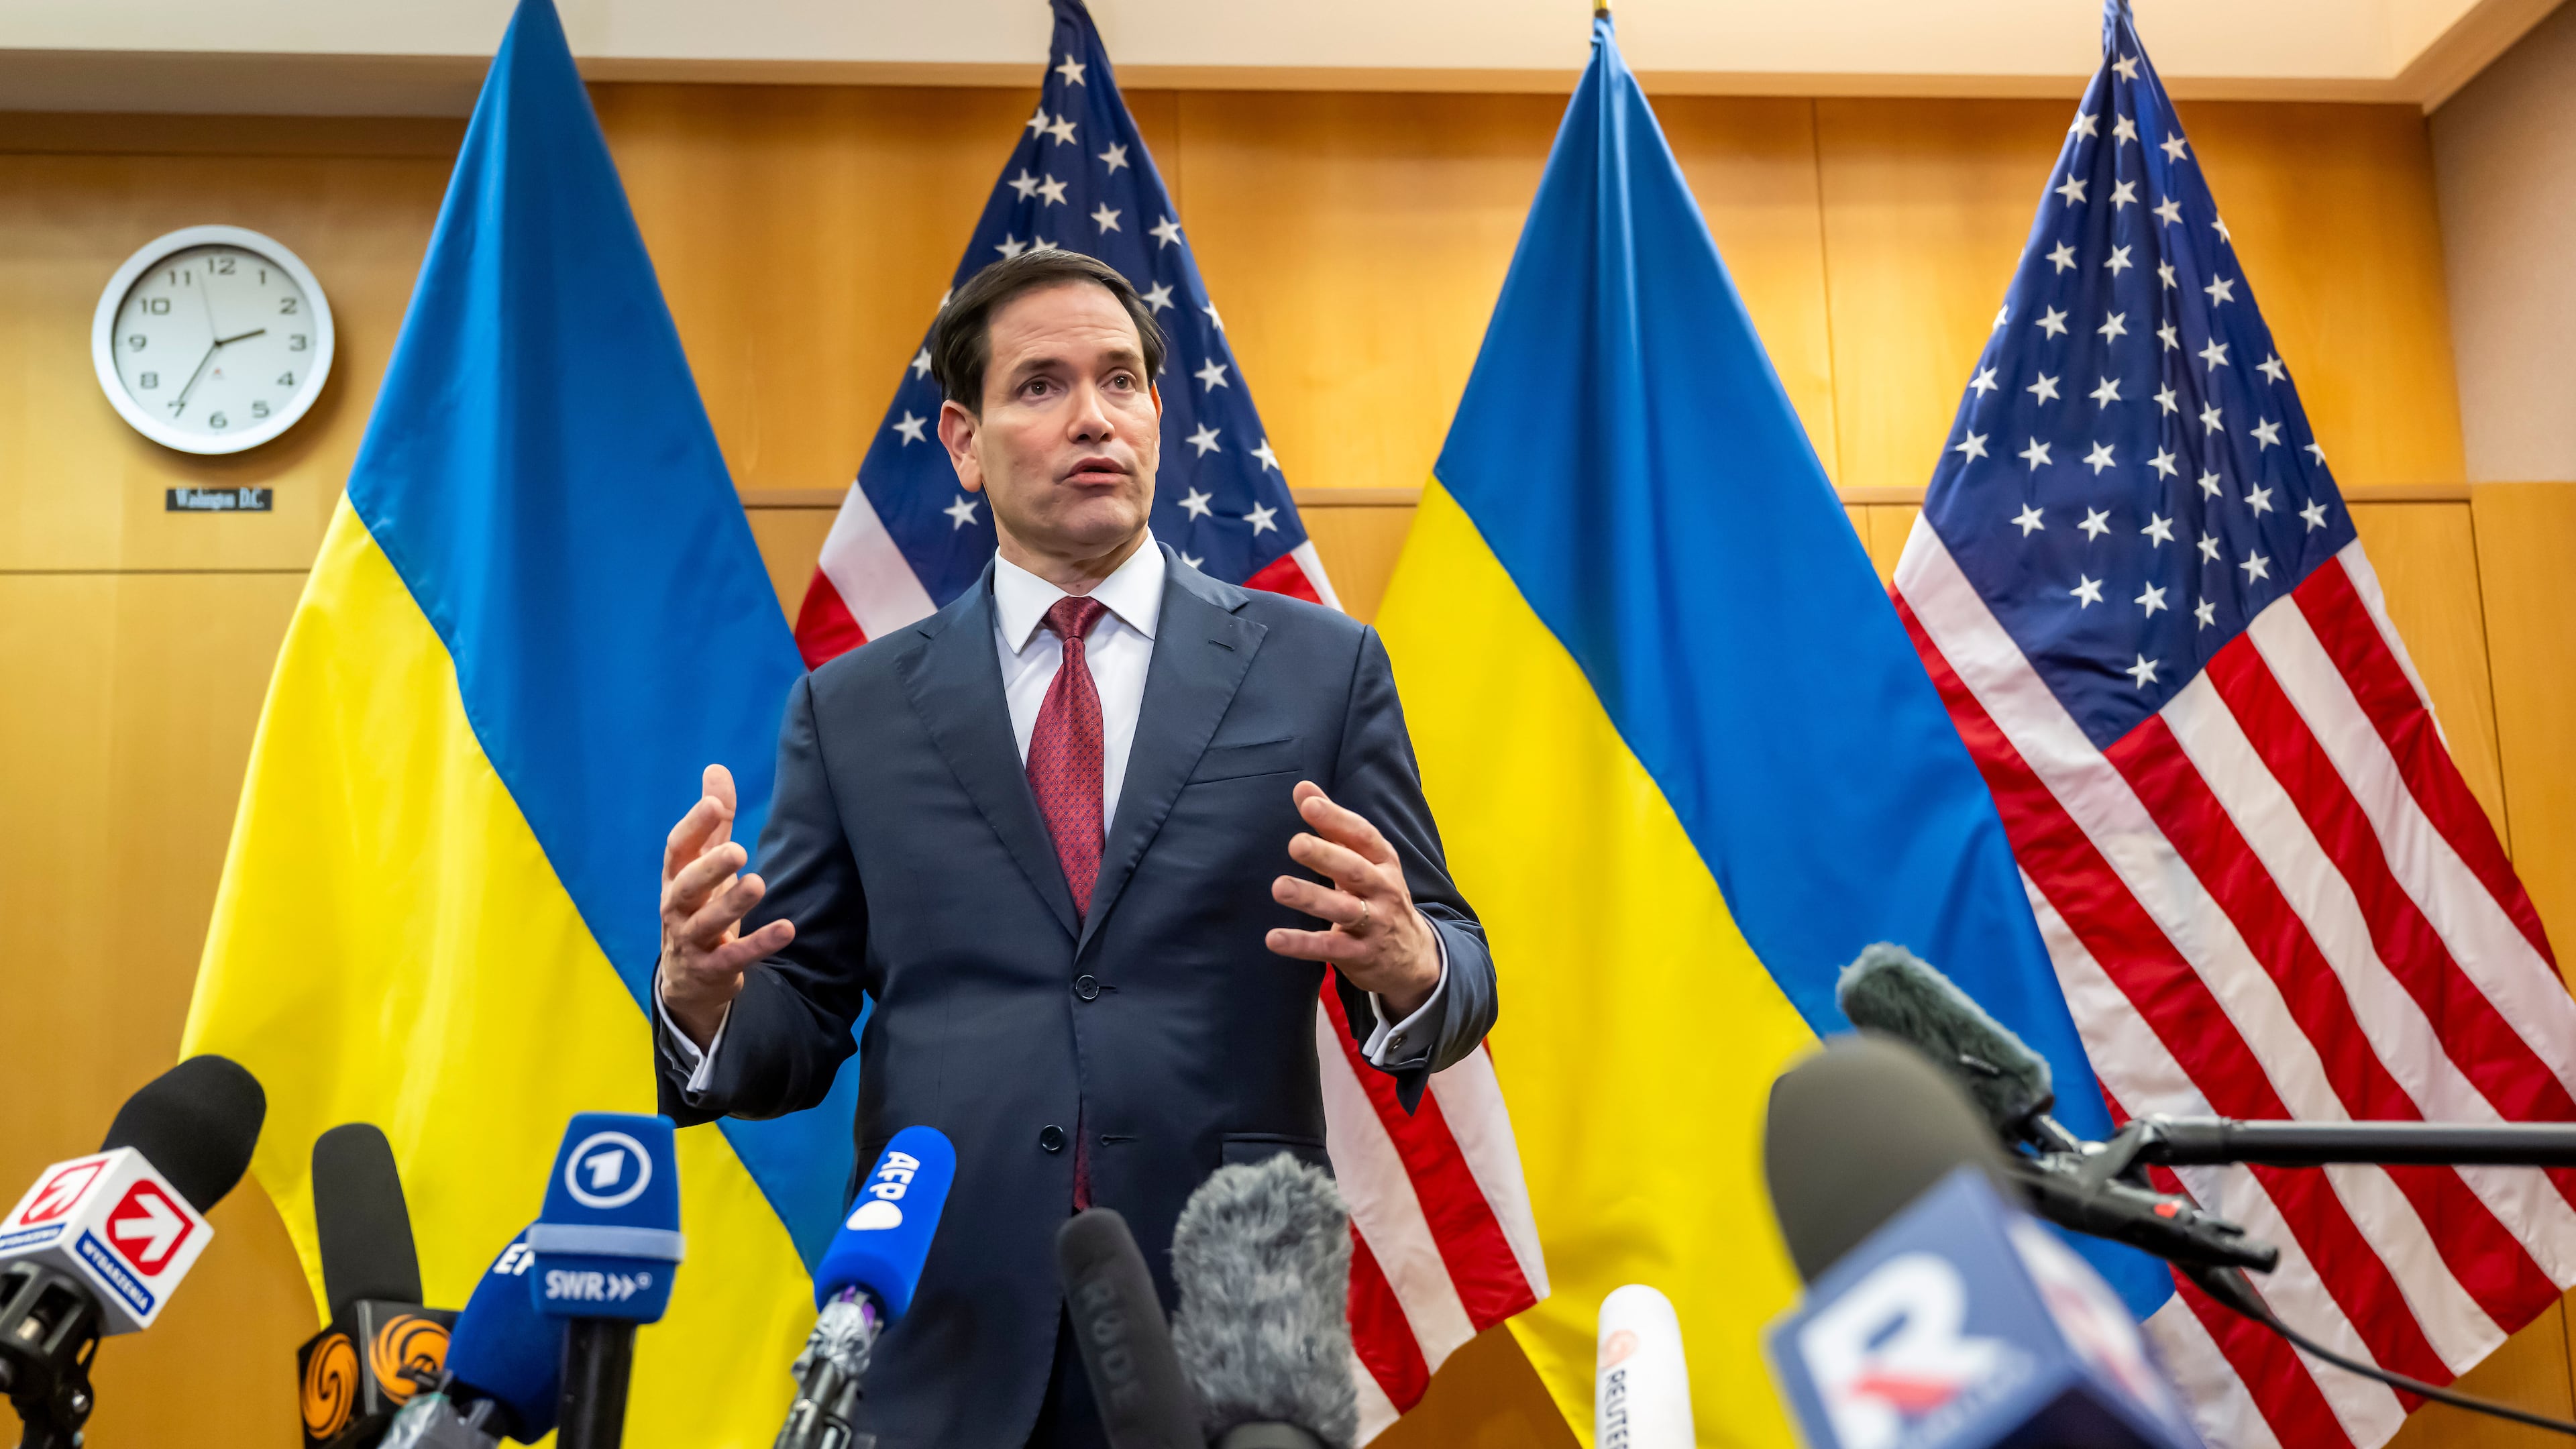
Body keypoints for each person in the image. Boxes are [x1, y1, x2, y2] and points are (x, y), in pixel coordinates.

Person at [650, 249, 1495, 1448]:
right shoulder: (853, 710)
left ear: (1156, 413)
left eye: (1120, 381)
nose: (1092, 417)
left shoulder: (1320, 667)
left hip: (1234, 1322)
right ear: (963, 440)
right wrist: (703, 995)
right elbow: (795, 1024)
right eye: (1040, 385)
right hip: (950, 1327)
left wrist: (1411, 962)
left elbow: (1456, 967)